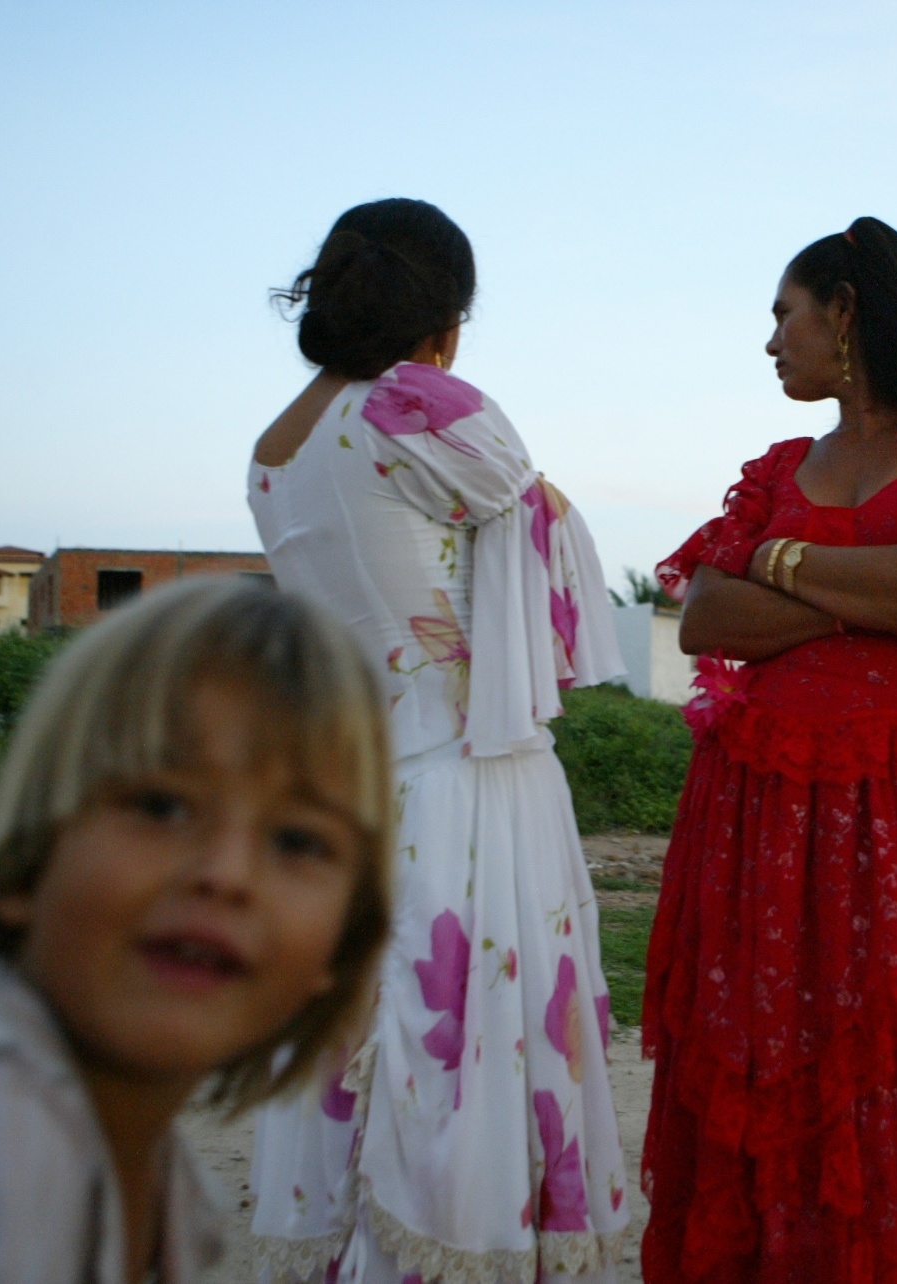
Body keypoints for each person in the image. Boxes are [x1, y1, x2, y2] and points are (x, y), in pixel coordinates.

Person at [641, 217, 897, 1283]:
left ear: (847, 309)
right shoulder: (784, 467)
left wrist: (786, 573)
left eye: (784, 314)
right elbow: (703, 622)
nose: (772, 341)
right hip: (758, 809)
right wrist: (854, 597)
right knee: (768, 1058)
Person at [0, 576, 396, 1284]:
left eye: (298, 841)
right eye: (162, 806)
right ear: (29, 862)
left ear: (343, 945)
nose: (228, 875)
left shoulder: (159, 1174)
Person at [246, 198, 630, 1284]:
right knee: (458, 1043)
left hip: (336, 781)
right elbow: (534, 518)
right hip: (465, 775)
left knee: (358, 1039)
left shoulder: (279, 440)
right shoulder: (425, 408)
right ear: (446, 318)